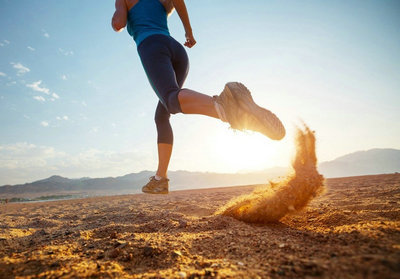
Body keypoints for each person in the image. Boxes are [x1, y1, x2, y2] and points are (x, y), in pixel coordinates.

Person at [112, 0, 285, 194]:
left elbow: (118, 23)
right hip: (178, 52)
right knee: (162, 115)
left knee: (171, 98)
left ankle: (226, 106)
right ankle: (160, 178)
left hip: (151, 45)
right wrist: (189, 32)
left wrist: (119, 12)